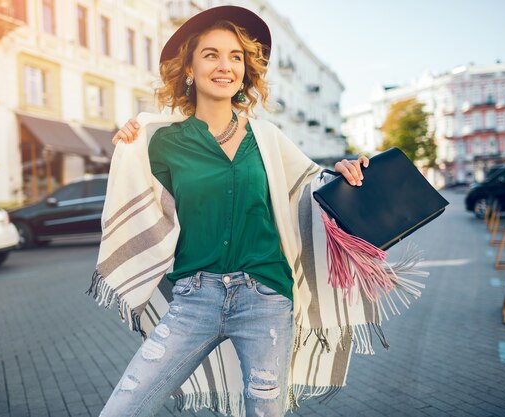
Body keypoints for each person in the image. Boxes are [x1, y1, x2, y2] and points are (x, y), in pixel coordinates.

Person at [91, 6, 384, 417]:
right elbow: (135, 193)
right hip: (194, 297)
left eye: (236, 56)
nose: (224, 65)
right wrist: (127, 146)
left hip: (265, 298)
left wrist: (343, 173)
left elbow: (307, 195)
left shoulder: (267, 138)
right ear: (189, 69)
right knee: (124, 406)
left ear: (246, 71)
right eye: (210, 54)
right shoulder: (161, 141)